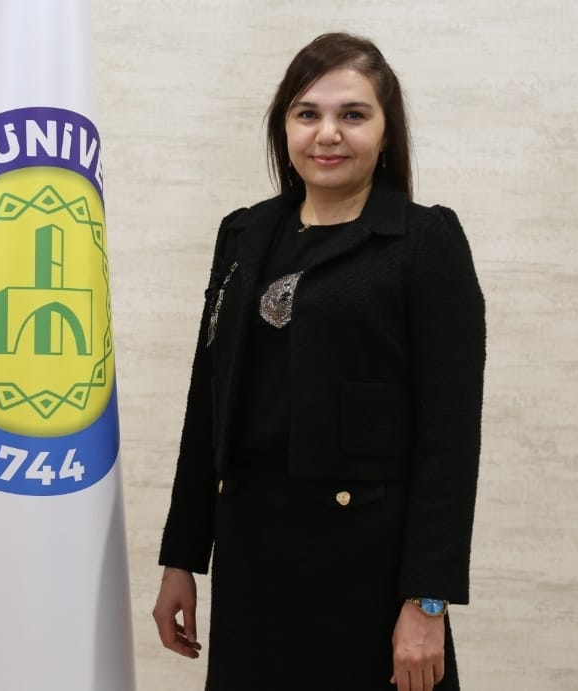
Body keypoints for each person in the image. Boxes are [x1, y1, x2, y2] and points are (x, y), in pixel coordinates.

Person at [153, 32, 485, 691]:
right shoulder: (245, 233)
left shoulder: (424, 241)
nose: (327, 134)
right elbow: (207, 401)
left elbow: (449, 439)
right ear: (284, 128)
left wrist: (428, 601)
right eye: (308, 113)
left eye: (353, 115)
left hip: (367, 572)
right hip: (252, 562)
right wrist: (182, 557)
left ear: (386, 133)